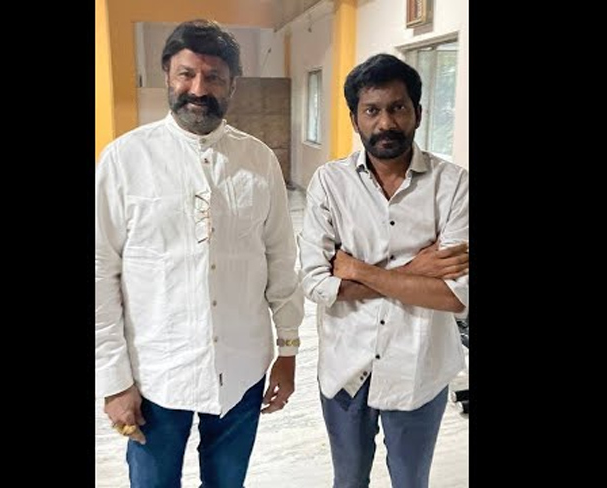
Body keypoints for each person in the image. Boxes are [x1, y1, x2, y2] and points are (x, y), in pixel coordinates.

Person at [95, 19, 304, 488]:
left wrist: (288, 350)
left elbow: (281, 260)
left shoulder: (258, 161)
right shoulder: (125, 160)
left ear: (232, 85)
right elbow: (99, 273)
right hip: (155, 373)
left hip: (242, 366)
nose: (198, 89)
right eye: (186, 74)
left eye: (213, 77)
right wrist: (113, 381)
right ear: (167, 76)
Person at [297, 53, 469, 488]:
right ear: (355, 119)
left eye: (398, 108)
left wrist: (358, 270)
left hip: (419, 369)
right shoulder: (330, 183)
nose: (386, 123)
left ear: (418, 113)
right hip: (346, 367)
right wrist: (418, 271)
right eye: (372, 110)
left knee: (411, 482)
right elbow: (316, 282)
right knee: (349, 480)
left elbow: (455, 295)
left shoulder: (454, 185)